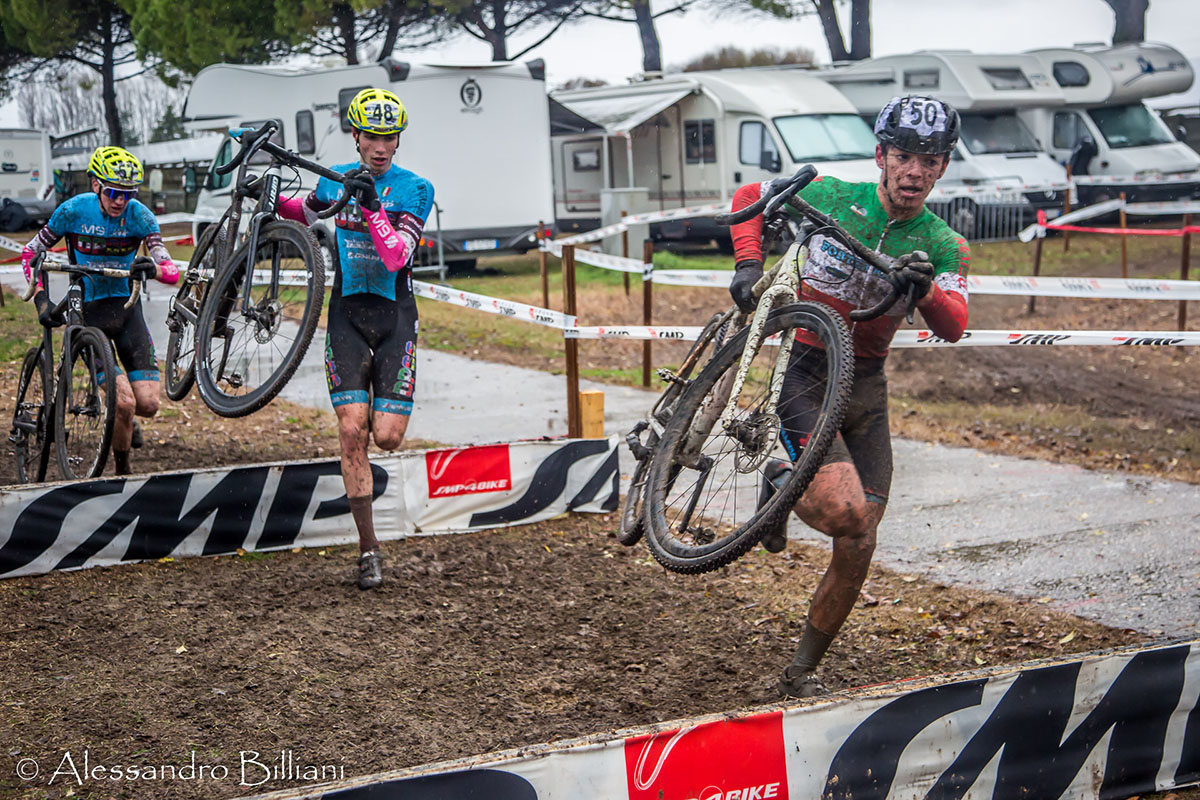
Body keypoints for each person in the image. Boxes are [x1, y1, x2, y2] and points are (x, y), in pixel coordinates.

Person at [727, 96, 970, 698]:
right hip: (809, 366)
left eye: (930, 159)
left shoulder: (943, 243)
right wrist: (747, 264)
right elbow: (746, 198)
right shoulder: (835, 196)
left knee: (860, 539)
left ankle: (799, 671)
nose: (915, 171)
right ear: (882, 156)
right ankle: (784, 478)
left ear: (942, 168)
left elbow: (955, 324)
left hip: (867, 384)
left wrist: (926, 291)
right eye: (905, 156)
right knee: (845, 512)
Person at [273, 87, 434, 590]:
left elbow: (395, 258)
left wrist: (371, 208)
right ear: (357, 137)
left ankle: (373, 418)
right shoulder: (341, 178)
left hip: (394, 317)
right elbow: (304, 210)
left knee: (385, 436)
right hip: (345, 314)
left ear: (398, 140)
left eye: (390, 137)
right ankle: (369, 551)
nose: (381, 146)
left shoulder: (415, 188)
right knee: (350, 431)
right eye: (373, 137)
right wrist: (265, 196)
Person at [21, 146, 179, 476]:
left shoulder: (140, 216)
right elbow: (29, 253)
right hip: (89, 313)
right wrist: (40, 298)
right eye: (113, 192)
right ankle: (123, 471)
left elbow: (170, 269)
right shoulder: (72, 211)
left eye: (128, 193)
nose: (121, 200)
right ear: (96, 185)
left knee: (146, 405)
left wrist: (154, 268)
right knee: (123, 404)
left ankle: (126, 421)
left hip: (126, 311)